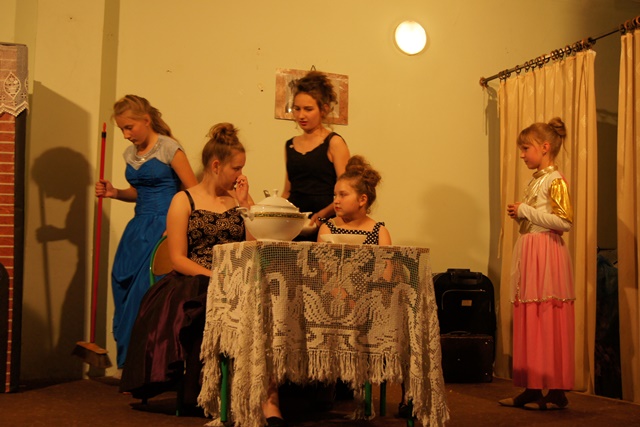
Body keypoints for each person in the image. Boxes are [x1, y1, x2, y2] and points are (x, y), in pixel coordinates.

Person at [119, 123, 285, 426]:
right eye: (236, 168)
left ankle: (266, 398)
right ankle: (221, 392)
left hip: (238, 277)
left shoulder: (238, 200)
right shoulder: (184, 200)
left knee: (268, 305)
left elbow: (253, 246)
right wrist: (215, 276)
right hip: (194, 279)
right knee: (206, 305)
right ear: (216, 165)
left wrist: (245, 204)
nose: (241, 174)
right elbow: (177, 258)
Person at [95, 95, 198, 371]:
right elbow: (138, 192)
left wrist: (176, 226)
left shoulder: (169, 148)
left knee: (145, 293)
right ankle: (131, 366)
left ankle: (147, 367)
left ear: (146, 120)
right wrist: (115, 192)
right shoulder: (130, 154)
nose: (126, 135)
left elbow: (193, 192)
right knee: (122, 285)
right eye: (121, 129)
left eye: (129, 127)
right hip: (137, 229)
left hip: (164, 227)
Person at [499, 117, 575, 410]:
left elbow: (564, 222)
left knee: (547, 316)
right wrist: (522, 214)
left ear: (544, 147)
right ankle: (532, 386)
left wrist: (526, 211)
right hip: (531, 249)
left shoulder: (556, 180)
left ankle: (555, 391)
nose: (522, 155)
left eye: (526, 148)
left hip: (547, 251)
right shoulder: (536, 180)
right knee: (530, 315)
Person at [282, 70, 351, 240]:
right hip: (294, 225)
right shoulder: (289, 144)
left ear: (324, 109)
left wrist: (322, 215)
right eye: (297, 109)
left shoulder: (334, 142)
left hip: (326, 224)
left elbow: (347, 191)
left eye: (308, 109)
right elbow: (287, 191)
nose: (301, 115)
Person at [317, 155, 391, 245]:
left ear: (362, 200)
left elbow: (386, 254)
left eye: (343, 195)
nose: (336, 201)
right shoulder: (328, 229)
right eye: (335, 195)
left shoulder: (379, 232)